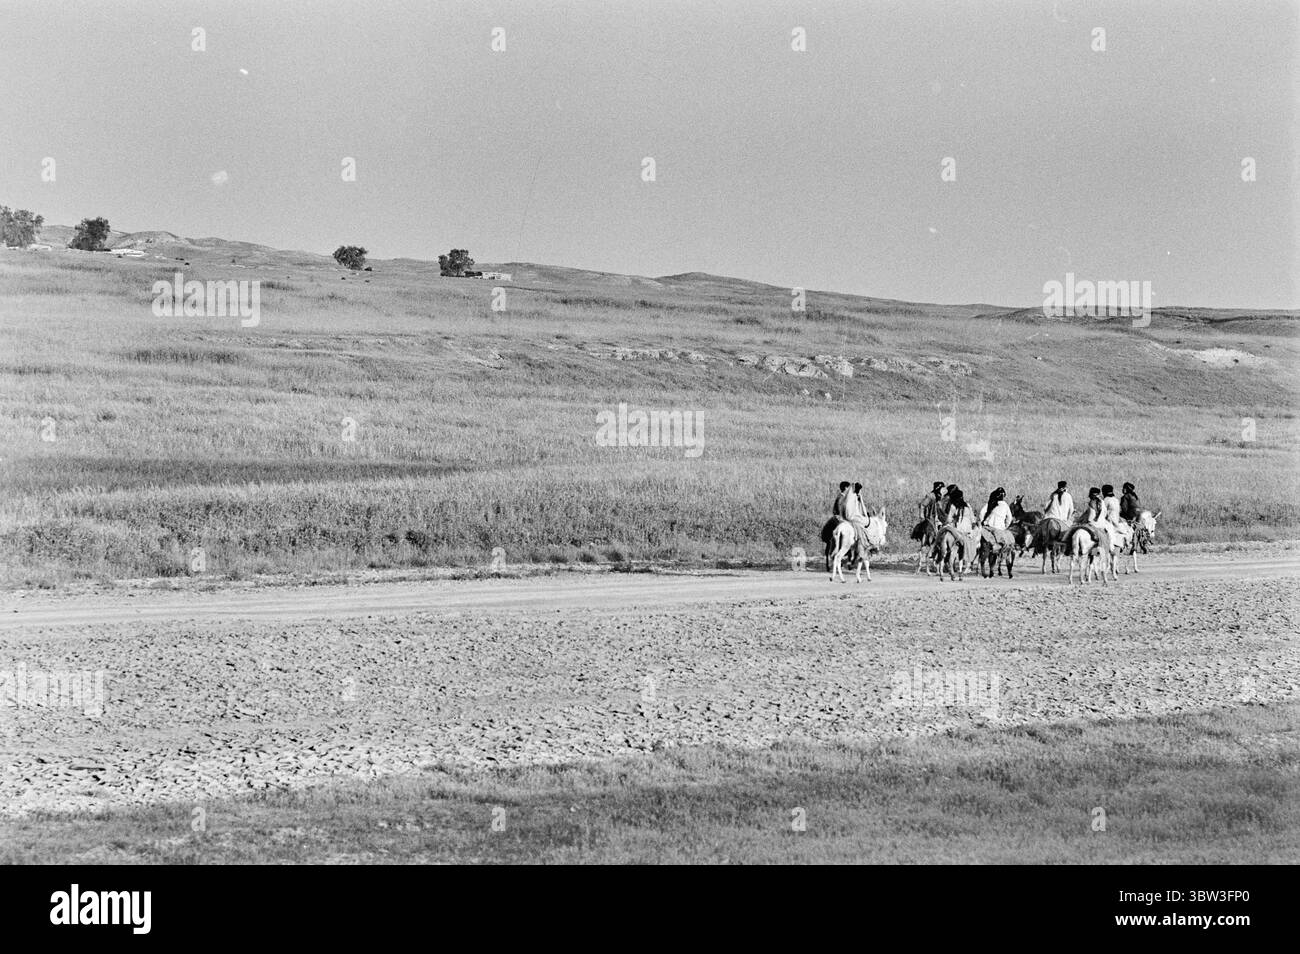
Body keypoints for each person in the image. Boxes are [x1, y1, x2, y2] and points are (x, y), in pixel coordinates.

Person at [844, 481, 871, 562]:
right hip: (853, 517)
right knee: (866, 525)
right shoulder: (854, 497)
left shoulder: (850, 496)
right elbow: (862, 509)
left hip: (851, 516)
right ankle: (863, 545)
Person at [1101, 484, 1131, 549]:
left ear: (1103, 492)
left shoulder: (1106, 500)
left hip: (1110, 522)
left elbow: (1103, 513)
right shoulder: (1116, 500)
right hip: (1117, 521)